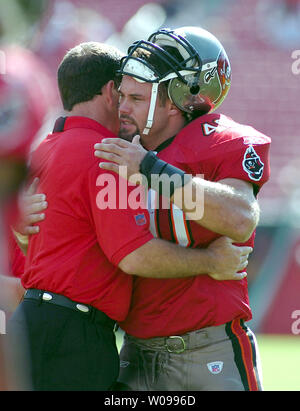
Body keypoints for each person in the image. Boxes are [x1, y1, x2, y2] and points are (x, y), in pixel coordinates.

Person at [8, 41, 251, 391]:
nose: (125, 107)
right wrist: (210, 261)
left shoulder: (43, 149)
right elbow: (134, 255)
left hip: (29, 324)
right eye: (125, 96)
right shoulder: (107, 154)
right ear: (110, 91)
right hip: (75, 334)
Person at [94, 26, 271, 391]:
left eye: (137, 98)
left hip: (208, 352)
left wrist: (151, 170)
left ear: (178, 98)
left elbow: (240, 218)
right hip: (133, 353)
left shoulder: (223, 143)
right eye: (122, 95)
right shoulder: (115, 147)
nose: (122, 108)